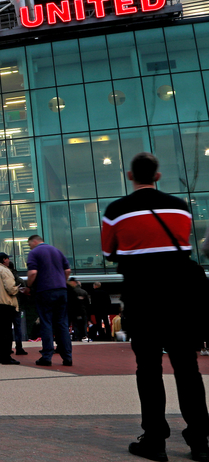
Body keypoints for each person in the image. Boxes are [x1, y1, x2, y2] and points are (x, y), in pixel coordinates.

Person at [101, 152, 208, 461]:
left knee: (148, 368)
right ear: (157, 176)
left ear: (130, 176)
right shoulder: (179, 207)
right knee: (187, 369)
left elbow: (108, 251)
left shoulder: (116, 210)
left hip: (142, 295)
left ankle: (155, 440)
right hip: (180, 296)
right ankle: (200, 441)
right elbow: (182, 243)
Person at [26, 235, 73, 367]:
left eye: (30, 244)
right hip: (61, 290)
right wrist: (62, 282)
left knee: (46, 323)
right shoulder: (57, 251)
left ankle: (47, 357)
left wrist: (29, 286)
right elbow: (67, 270)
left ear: (34, 242)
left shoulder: (34, 253)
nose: (30, 247)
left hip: (44, 290)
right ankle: (67, 357)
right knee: (62, 323)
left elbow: (33, 273)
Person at [0, 252, 20, 365]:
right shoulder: (5, 271)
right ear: (4, 260)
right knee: (7, 332)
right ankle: (6, 356)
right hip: (6, 304)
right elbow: (11, 288)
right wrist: (18, 289)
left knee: (1, 332)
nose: (9, 261)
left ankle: (0, 355)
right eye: (7, 259)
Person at [67, 277, 89, 343]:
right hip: (82, 311)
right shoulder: (84, 292)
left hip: (71, 311)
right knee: (82, 324)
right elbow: (87, 303)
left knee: (74, 325)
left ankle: (75, 337)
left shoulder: (70, 291)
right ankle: (84, 336)